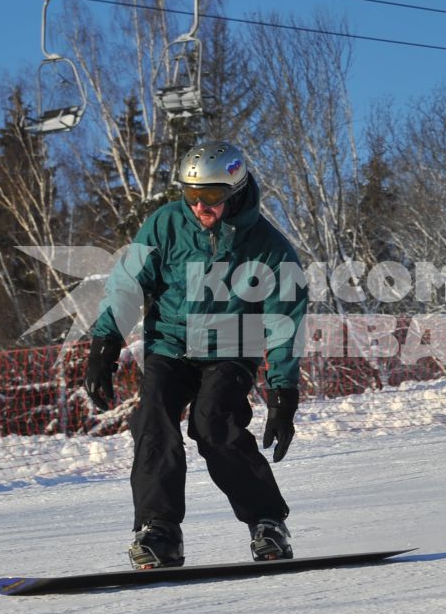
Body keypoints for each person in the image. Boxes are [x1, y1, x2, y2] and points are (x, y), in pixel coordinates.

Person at [84, 140, 308, 569]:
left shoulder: (269, 248)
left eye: (212, 197)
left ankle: (267, 521)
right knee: (152, 419)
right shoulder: (165, 225)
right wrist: (104, 344)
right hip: (170, 346)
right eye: (191, 196)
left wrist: (283, 394)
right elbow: (128, 284)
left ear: (236, 191)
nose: (200, 207)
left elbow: (284, 323)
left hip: (231, 349)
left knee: (213, 424)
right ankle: (160, 531)